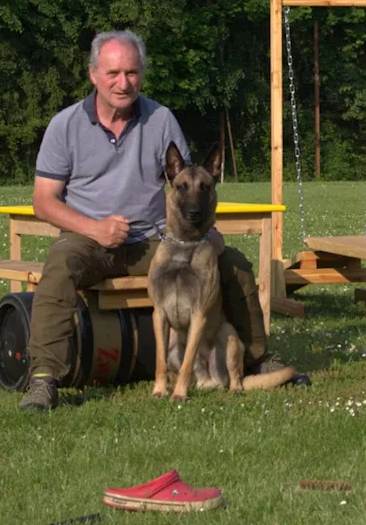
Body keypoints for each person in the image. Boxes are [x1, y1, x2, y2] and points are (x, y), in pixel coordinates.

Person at [19, 30, 308, 412]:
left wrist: (210, 235)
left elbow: (189, 185)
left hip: (157, 242)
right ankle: (44, 379)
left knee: (233, 263)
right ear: (93, 74)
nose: (124, 83)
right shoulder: (65, 125)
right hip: (89, 241)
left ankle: (256, 357)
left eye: (132, 73)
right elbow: (43, 202)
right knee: (59, 267)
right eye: (113, 73)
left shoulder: (160, 119)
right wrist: (94, 228)